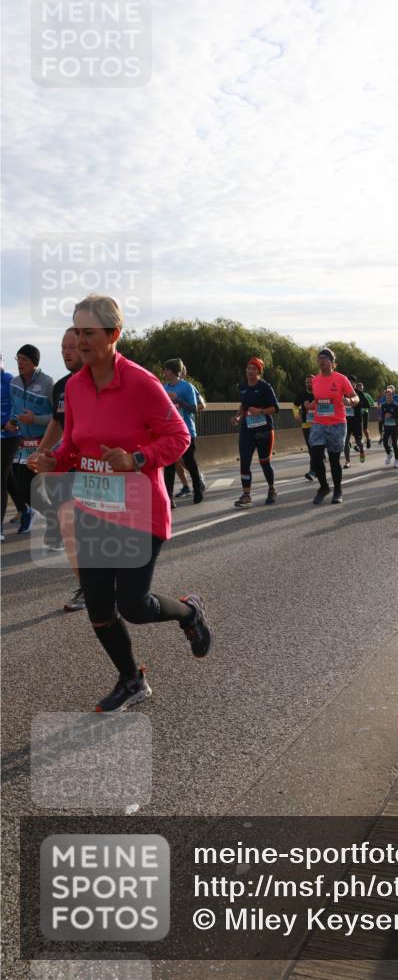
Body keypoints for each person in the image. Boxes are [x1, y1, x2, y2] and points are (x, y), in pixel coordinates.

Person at [30, 294, 213, 713]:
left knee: (133, 606)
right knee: (98, 607)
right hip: (94, 508)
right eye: (76, 332)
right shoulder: (75, 387)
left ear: (113, 334)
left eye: (88, 333)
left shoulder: (141, 383)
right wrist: (54, 459)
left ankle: (189, 612)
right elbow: (73, 444)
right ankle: (131, 679)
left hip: (138, 509)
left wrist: (138, 459)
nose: (80, 341)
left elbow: (180, 437)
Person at [29, 328, 86, 610]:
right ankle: (87, 587)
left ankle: (108, 581)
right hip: (67, 465)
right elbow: (57, 422)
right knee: (69, 526)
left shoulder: (101, 380)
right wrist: (41, 452)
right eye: (63, 347)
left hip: (97, 468)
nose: (66, 352)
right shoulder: (62, 386)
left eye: (71, 346)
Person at [5, 345, 54, 534]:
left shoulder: (48, 383)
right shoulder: (14, 382)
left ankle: (56, 520)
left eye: (24, 359)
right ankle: (49, 516)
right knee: (22, 489)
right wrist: (12, 421)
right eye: (18, 358)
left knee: (42, 489)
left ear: (34, 362)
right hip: (23, 444)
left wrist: (35, 420)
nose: (20, 362)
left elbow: (58, 417)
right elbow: (14, 408)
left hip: (45, 444)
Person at [305, 348, 358, 504]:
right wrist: (310, 405)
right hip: (319, 423)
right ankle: (323, 487)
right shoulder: (315, 381)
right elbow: (319, 400)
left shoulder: (341, 379)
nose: (321, 360)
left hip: (337, 424)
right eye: (319, 358)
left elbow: (355, 397)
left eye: (324, 358)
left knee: (334, 460)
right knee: (315, 455)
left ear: (332, 362)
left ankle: (337, 490)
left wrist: (350, 401)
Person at [232, 357, 279, 507]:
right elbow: (244, 405)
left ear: (259, 372)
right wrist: (238, 417)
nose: (250, 371)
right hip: (247, 430)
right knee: (244, 462)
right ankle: (246, 496)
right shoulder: (242, 387)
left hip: (264, 431)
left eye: (254, 369)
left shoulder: (265, 387)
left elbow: (275, 408)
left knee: (264, 462)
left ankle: (271, 489)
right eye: (249, 368)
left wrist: (260, 411)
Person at [162, 358, 204, 506]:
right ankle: (168, 498)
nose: (164, 372)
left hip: (186, 431)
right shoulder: (164, 388)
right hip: (169, 431)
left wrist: (178, 400)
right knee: (169, 464)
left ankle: (198, 490)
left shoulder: (187, 387)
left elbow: (194, 409)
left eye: (167, 369)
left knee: (190, 462)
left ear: (174, 371)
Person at [1, 354, 19, 541]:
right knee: (8, 478)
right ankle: (24, 509)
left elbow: (17, 405)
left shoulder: (10, 380)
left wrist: (11, 422)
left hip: (9, 436)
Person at [292, 374, 317, 480]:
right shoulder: (301, 395)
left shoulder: (320, 393)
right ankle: (314, 470)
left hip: (320, 425)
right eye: (307, 382)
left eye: (311, 382)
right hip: (306, 425)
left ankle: (313, 470)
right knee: (311, 448)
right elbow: (295, 406)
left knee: (316, 448)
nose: (309, 384)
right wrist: (296, 415)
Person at [343, 376, 365, 468]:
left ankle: (361, 450)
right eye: (348, 382)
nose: (350, 384)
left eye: (352, 382)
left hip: (356, 420)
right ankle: (347, 461)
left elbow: (366, 404)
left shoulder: (359, 393)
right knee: (345, 441)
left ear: (355, 384)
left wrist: (355, 404)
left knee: (358, 441)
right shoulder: (343, 392)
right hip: (346, 420)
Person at [379, 385, 398, 467]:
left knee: (394, 444)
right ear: (385, 396)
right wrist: (382, 418)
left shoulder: (396, 405)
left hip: (394, 428)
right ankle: (389, 453)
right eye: (387, 395)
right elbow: (382, 416)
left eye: (390, 395)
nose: (388, 397)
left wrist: (391, 415)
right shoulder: (383, 405)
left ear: (392, 396)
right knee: (385, 443)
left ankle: (397, 460)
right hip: (386, 427)